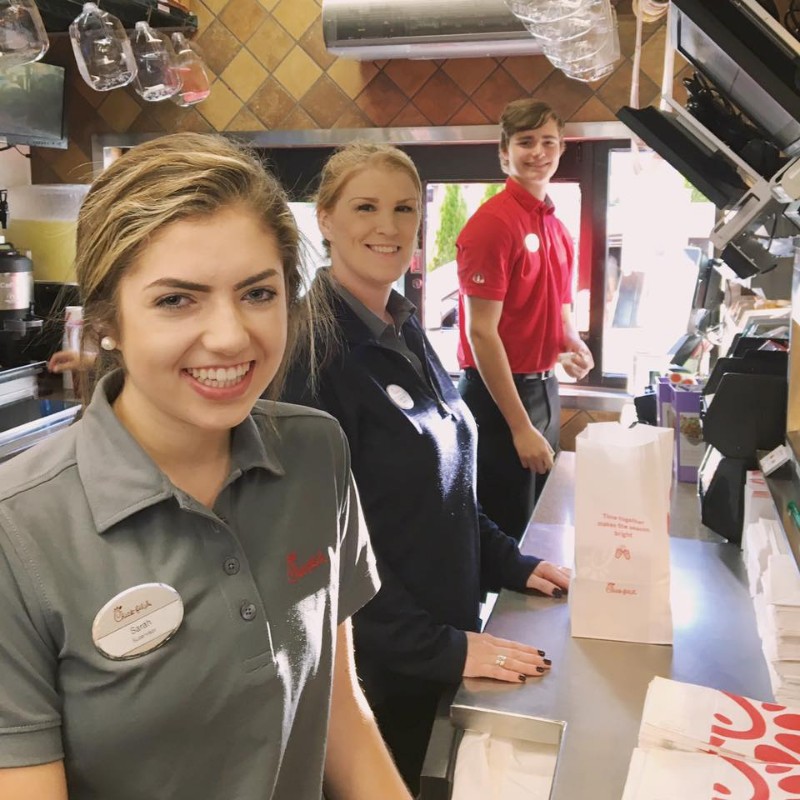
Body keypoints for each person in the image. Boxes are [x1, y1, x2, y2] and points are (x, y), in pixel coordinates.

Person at [0, 133, 412, 800]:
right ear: (107, 319)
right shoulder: (19, 531)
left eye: (257, 293)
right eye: (176, 300)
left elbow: (338, 711)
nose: (228, 335)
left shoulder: (315, 454)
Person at [282, 142, 570, 794]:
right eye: (366, 207)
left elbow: (443, 494)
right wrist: (439, 648)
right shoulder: (311, 350)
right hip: (373, 677)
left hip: (433, 651)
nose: (388, 226)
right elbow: (311, 553)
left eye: (404, 208)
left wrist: (511, 561)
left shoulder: (403, 326)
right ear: (325, 218)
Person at [456, 99, 595, 542]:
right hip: (498, 400)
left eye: (549, 141)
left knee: (539, 523)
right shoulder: (492, 224)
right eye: (526, 141)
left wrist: (571, 343)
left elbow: (560, 308)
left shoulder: (556, 227)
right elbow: (481, 332)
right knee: (502, 531)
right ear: (504, 153)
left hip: (543, 391)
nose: (539, 152)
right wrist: (519, 427)